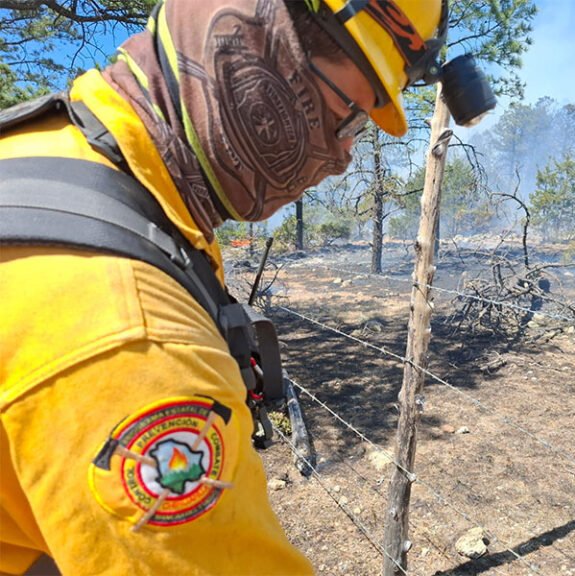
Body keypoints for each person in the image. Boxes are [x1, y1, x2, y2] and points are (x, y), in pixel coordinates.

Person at [0, 0, 446, 574]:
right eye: (349, 119)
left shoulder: (64, 156)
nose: (341, 158)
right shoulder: (135, 345)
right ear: (255, 40)